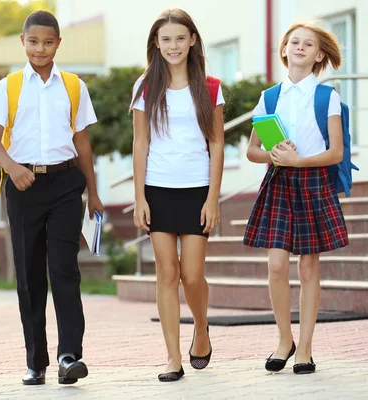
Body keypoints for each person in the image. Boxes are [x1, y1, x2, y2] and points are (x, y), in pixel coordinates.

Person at [0, 10, 104, 385]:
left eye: (48, 42)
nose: (40, 48)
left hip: (66, 184)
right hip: (24, 188)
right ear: (23, 42)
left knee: (64, 269)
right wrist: (14, 168)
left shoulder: (74, 86)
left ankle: (69, 356)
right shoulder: (9, 86)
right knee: (30, 276)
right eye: (33, 42)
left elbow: (82, 142)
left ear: (58, 44)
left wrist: (94, 193)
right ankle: (37, 361)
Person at [243, 21, 348, 375]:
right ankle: (284, 340)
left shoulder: (326, 97)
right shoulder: (270, 97)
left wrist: (299, 160)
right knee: (275, 265)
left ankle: (305, 348)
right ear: (285, 50)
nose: (300, 47)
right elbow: (253, 151)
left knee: (307, 266)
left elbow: (336, 152)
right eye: (294, 42)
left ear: (319, 55)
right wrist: (274, 155)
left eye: (308, 44)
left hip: (313, 182)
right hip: (279, 182)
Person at [130, 8, 225, 382]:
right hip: (158, 189)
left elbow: (217, 145)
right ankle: (172, 357)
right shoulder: (145, 87)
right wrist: (139, 196)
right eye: (166, 39)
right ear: (157, 43)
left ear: (192, 41)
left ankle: (201, 328)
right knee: (166, 273)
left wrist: (213, 197)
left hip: (197, 189)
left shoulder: (211, 87)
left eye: (180, 38)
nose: (173, 46)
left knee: (192, 274)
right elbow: (141, 143)